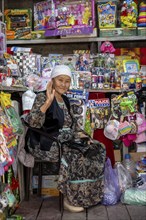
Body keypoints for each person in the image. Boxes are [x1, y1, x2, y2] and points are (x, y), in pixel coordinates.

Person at [25, 64, 106, 212]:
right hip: (46, 143)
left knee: (96, 148)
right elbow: (33, 123)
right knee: (74, 153)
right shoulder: (42, 97)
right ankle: (69, 199)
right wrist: (47, 103)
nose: (63, 84)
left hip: (64, 141)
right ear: (52, 80)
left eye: (67, 81)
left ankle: (87, 195)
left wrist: (85, 137)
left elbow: (74, 125)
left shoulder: (66, 100)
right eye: (60, 80)